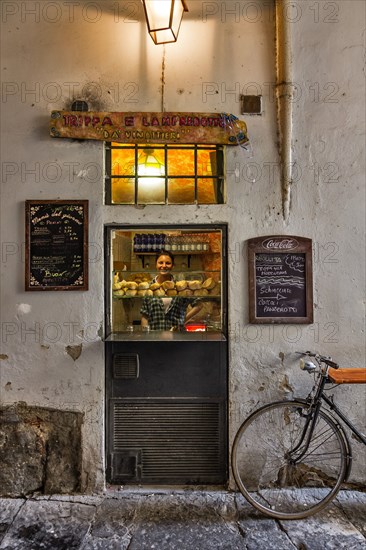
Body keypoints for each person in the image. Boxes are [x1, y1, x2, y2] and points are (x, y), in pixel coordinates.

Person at [140, 251, 203, 331]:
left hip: (177, 337)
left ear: (172, 266)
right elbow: (145, 315)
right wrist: (145, 336)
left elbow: (199, 305)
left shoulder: (180, 286)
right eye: (160, 263)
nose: (164, 266)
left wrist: (183, 321)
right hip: (155, 337)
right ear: (156, 265)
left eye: (168, 263)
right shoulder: (149, 287)